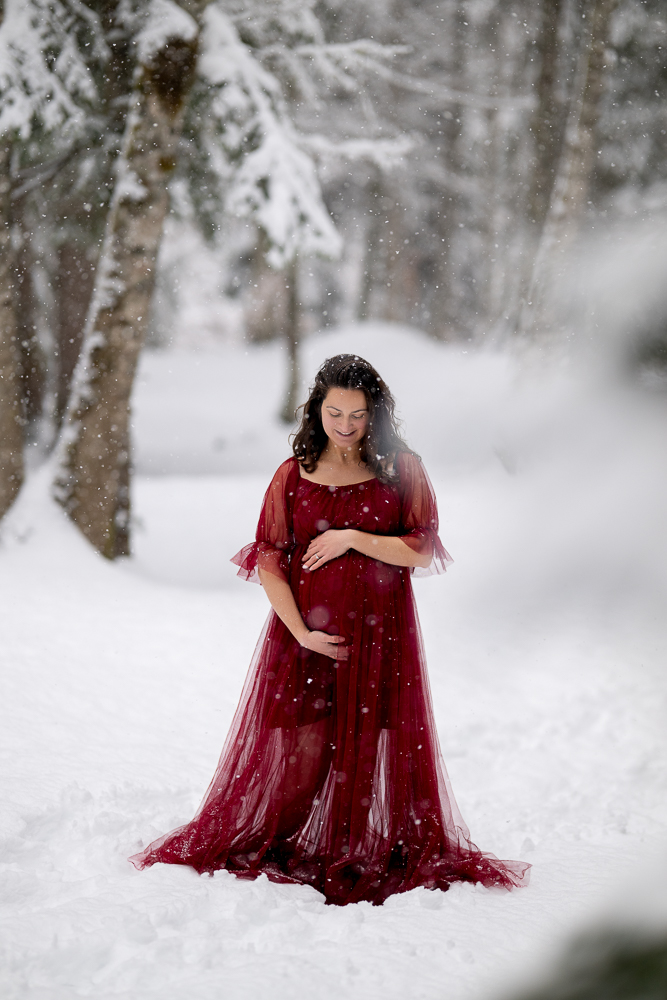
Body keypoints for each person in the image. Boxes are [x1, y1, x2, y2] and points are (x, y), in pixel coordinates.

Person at [130, 354, 529, 905]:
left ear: (376, 414)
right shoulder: (294, 472)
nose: (344, 426)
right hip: (304, 635)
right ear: (315, 408)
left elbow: (420, 547)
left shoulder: (401, 467)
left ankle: (351, 848)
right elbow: (268, 557)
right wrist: (300, 631)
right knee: (304, 748)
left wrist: (351, 537)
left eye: (358, 415)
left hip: (381, 632)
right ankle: (287, 838)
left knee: (367, 740)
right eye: (333, 412)